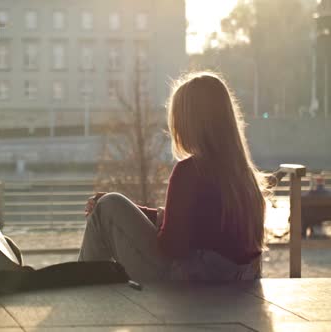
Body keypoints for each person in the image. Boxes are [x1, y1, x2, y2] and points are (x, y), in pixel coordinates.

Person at [79, 72, 268, 281]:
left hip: (190, 283)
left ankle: (82, 296)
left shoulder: (190, 171)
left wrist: (126, 227)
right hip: (232, 280)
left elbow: (171, 247)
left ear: (189, 123)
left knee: (108, 206)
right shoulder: (243, 176)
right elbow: (196, 226)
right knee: (109, 208)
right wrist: (142, 215)